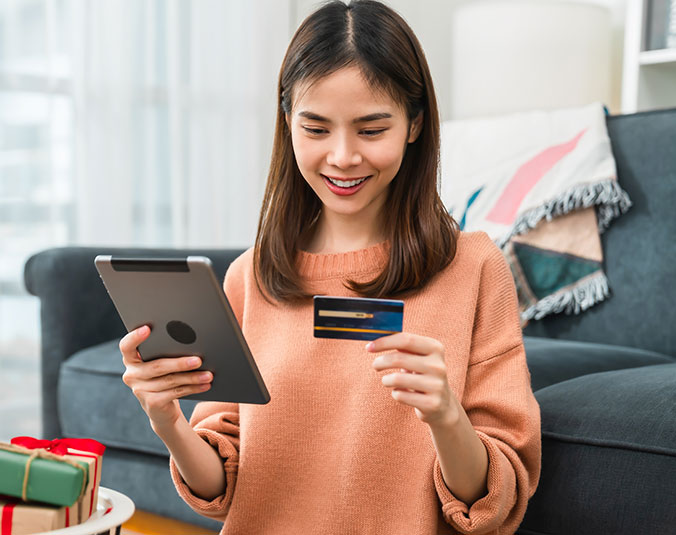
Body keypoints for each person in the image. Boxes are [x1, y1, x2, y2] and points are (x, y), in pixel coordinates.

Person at [118, 1, 541, 533]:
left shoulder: (474, 268)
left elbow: (495, 504)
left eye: (371, 130)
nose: (342, 157)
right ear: (287, 123)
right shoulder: (249, 278)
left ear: (414, 124)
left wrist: (447, 416)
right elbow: (221, 491)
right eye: (316, 129)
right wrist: (167, 422)